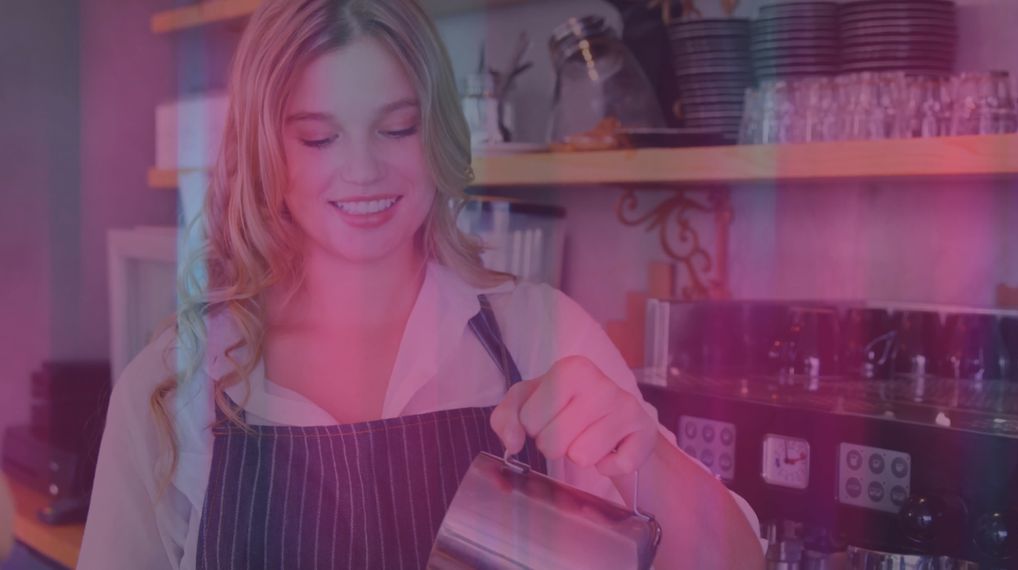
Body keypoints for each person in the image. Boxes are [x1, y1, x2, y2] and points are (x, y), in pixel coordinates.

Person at [78, 0, 765, 568]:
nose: (365, 170)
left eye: (397, 129)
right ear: (267, 155)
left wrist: (638, 451)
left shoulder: (538, 334)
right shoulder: (173, 387)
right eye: (319, 138)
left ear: (436, 134)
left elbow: (736, 560)